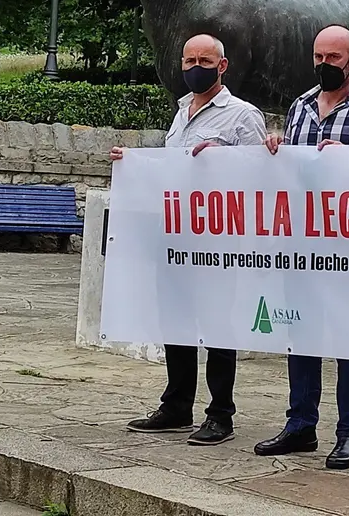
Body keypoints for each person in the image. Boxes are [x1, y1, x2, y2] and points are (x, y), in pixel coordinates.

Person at [253, 24, 349, 470]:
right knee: (301, 333)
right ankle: (300, 424)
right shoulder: (300, 106)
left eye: (333, 58)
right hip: (302, 243)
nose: (324, 65)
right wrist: (277, 147)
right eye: (318, 57)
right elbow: (291, 170)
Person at [110, 33, 266, 445]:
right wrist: (132, 163)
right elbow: (172, 169)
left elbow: (260, 175)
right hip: (176, 238)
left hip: (218, 241)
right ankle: (177, 405)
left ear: (222, 66)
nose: (196, 68)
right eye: (189, 60)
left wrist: (224, 157)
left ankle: (220, 414)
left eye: (205, 61)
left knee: (217, 326)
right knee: (175, 321)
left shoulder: (242, 115)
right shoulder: (182, 112)